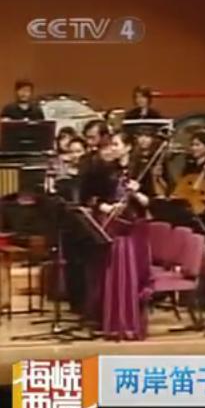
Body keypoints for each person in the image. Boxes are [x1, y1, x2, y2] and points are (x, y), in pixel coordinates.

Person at [80, 132, 151, 340]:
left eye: (116, 144)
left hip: (135, 228)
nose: (112, 148)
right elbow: (90, 197)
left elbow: (149, 202)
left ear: (128, 147)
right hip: (113, 227)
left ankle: (131, 322)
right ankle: (111, 321)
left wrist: (136, 192)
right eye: (111, 144)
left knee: (134, 274)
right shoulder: (104, 170)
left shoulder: (141, 170)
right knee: (111, 273)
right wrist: (106, 207)